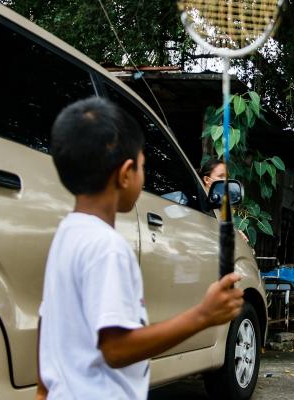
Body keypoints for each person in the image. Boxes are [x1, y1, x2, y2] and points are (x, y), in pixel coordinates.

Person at [36, 97, 244, 400]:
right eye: (143, 167)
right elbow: (116, 348)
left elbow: (47, 321)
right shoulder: (108, 247)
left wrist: (43, 390)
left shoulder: (66, 235)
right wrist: (203, 315)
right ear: (125, 174)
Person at [199, 157, 250, 243]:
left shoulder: (218, 203)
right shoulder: (198, 202)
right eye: (221, 176)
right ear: (207, 180)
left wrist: (236, 233)